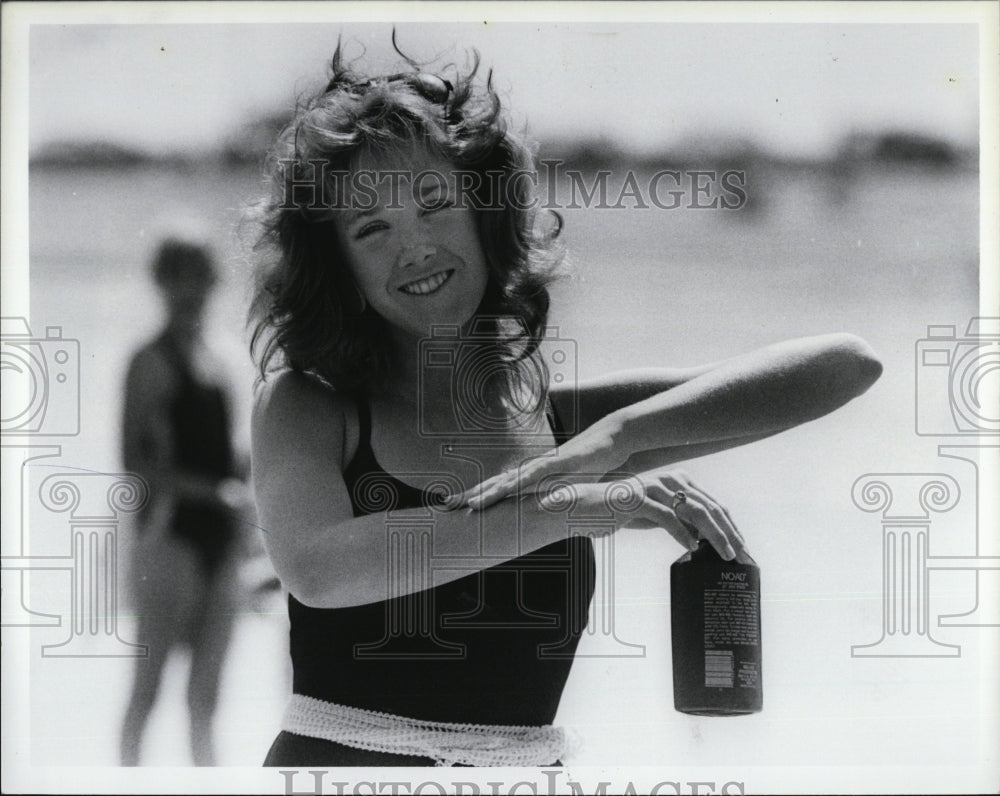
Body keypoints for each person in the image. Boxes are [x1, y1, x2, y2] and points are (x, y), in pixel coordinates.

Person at [248, 42, 882, 767]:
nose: (415, 248)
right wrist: (576, 508)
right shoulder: (309, 407)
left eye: (435, 204)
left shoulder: (562, 429)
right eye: (372, 229)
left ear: (488, 214)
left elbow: (846, 365)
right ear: (340, 267)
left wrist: (616, 439)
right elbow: (320, 571)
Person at [119, 235, 251, 766]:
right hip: (167, 539)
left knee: (206, 703)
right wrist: (214, 492)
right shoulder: (149, 361)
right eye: (179, 276)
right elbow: (134, 463)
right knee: (147, 695)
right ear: (161, 282)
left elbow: (234, 456)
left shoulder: (223, 357)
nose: (190, 289)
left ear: (215, 282)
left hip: (224, 541)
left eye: (200, 275)